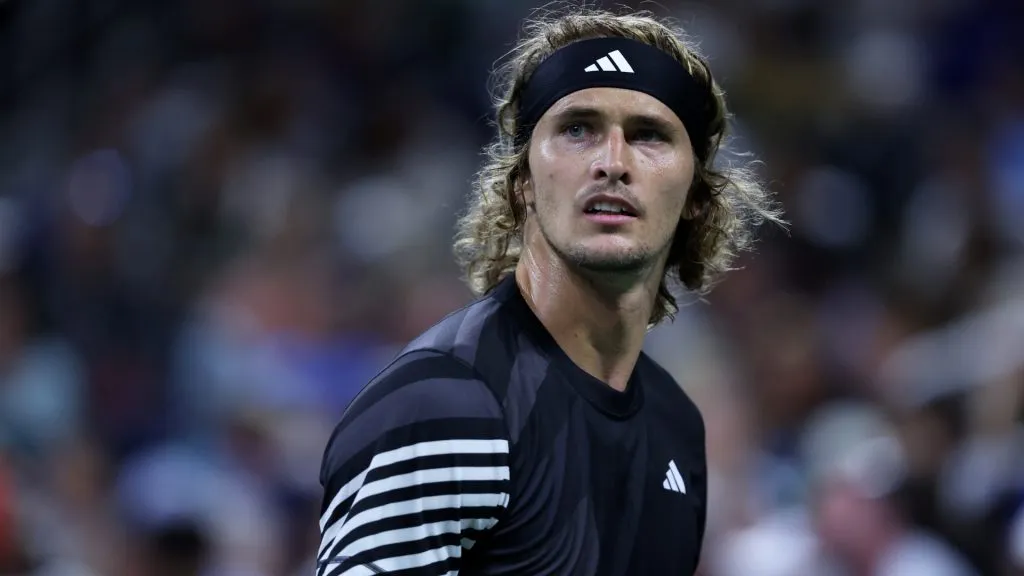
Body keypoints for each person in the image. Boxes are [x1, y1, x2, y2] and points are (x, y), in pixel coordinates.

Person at [316, 7, 782, 575]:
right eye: (577, 129)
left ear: (696, 199)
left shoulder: (675, 423)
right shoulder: (446, 403)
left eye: (648, 134)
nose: (612, 162)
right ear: (521, 185)